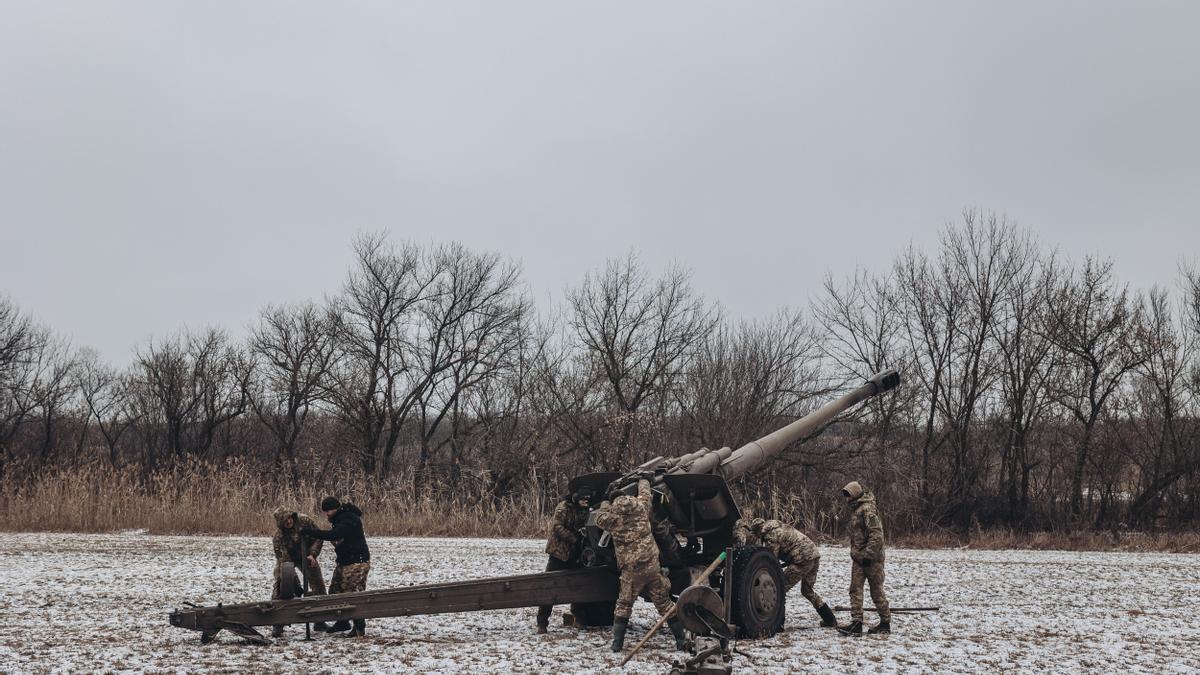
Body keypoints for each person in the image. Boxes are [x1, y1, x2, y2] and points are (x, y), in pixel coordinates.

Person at [593, 478, 686, 653]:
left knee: (624, 605)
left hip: (631, 570)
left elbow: (599, 518)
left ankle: (617, 644)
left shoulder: (612, 518)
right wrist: (643, 480)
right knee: (665, 604)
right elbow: (645, 494)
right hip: (651, 566)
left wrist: (606, 500)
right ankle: (680, 640)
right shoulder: (641, 507)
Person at [746, 518, 837, 628]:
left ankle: (778, 624)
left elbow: (771, 560)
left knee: (779, 589)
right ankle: (830, 619)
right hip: (813, 556)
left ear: (758, 531)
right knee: (807, 591)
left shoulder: (771, 535)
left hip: (801, 561)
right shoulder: (779, 527)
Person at [301, 496, 371, 638]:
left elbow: (334, 535)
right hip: (345, 562)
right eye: (325, 511)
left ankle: (359, 628)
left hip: (357, 562)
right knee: (335, 591)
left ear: (336, 508)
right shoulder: (340, 519)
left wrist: (310, 531)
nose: (326, 514)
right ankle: (342, 622)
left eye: (328, 511)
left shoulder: (348, 519)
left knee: (352, 595)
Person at [535, 486, 594, 633]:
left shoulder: (586, 510)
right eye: (583, 499)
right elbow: (557, 527)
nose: (586, 502)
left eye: (588, 500)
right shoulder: (563, 508)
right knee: (550, 586)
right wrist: (574, 539)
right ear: (576, 499)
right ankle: (542, 623)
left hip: (575, 554)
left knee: (578, 587)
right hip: (559, 553)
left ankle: (579, 619)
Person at [837, 481, 891, 635]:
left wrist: (868, 555)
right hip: (858, 559)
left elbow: (876, 534)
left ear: (855, 494)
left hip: (872, 559)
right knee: (855, 590)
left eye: (848, 494)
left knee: (876, 591)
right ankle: (856, 623)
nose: (846, 498)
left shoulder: (867, 510)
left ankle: (885, 623)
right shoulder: (856, 510)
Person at [269, 507, 330, 637]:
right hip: (288, 560)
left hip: (307, 557)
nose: (288, 522)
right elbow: (284, 561)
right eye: (285, 521)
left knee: (318, 586)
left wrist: (313, 554)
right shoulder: (278, 538)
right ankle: (278, 623)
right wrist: (294, 584)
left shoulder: (304, 521)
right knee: (281, 588)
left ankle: (320, 621)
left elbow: (319, 536)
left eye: (289, 518)